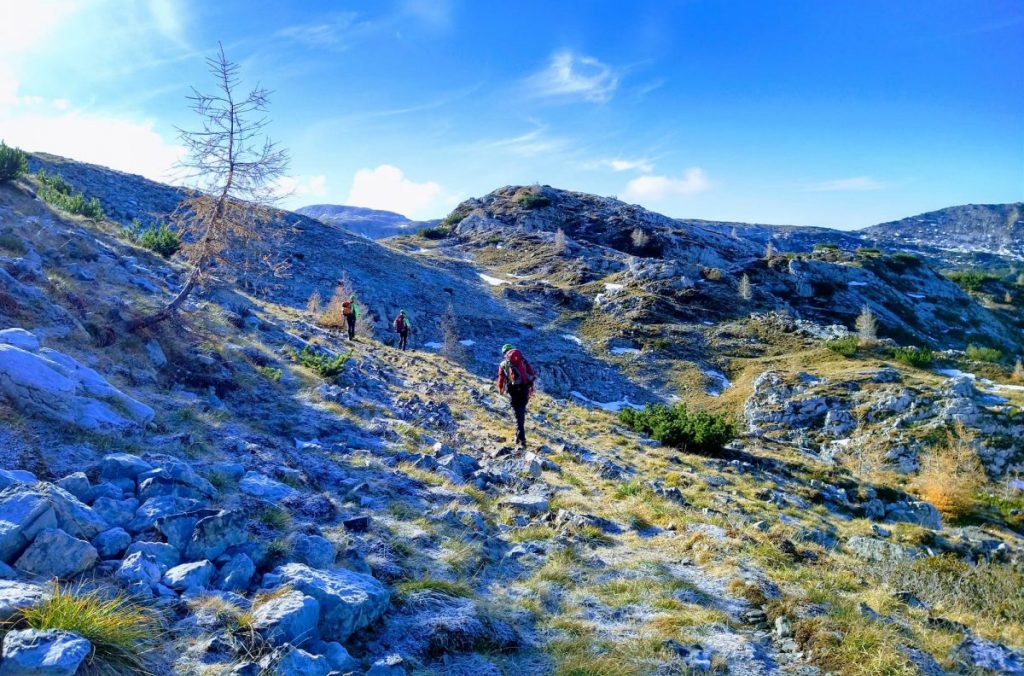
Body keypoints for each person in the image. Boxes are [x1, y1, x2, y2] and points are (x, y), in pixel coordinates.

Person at [496, 343, 536, 448]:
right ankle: (519, 437)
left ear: (504, 353)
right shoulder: (523, 360)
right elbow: (531, 374)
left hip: (513, 389)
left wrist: (501, 389)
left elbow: (501, 379)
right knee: (521, 411)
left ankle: (521, 439)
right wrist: (530, 387)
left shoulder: (503, 364)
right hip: (524, 388)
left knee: (518, 413)